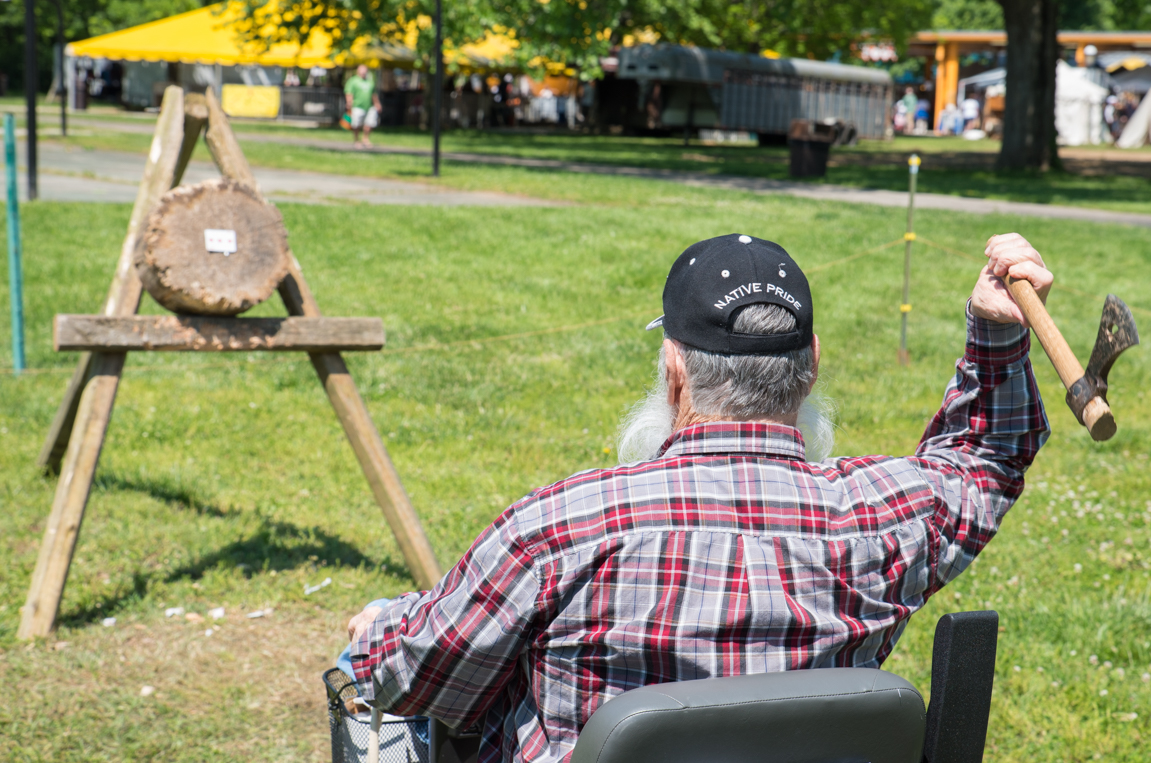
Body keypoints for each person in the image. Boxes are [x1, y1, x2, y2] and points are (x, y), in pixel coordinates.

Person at [345, 233, 1052, 763]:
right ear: (808, 371)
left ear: (674, 370)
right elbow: (986, 459)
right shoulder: (881, 518)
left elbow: (415, 677)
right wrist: (994, 329)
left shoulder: (560, 528)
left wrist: (375, 629)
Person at [344, 64, 382, 148]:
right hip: (357, 106)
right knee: (356, 124)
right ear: (358, 71)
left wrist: (377, 103)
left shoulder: (370, 81)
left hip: (369, 106)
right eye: (362, 70)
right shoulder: (353, 81)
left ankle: (365, 139)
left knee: (369, 123)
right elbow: (349, 92)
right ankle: (357, 140)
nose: (363, 73)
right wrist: (349, 102)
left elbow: (373, 94)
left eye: (365, 71)